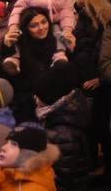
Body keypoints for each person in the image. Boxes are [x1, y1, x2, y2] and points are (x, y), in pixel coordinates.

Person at [34, 62, 91, 191]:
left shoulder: (63, 133)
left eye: (39, 96)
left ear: (50, 98)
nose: (35, 99)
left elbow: (64, 176)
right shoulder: (63, 112)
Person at [0, 123, 61, 191]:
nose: (3, 147)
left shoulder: (35, 188)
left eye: (14, 145)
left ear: (27, 154)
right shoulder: (2, 178)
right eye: (6, 143)